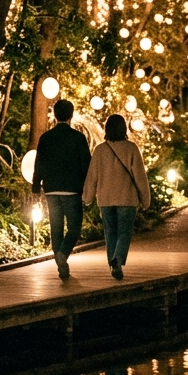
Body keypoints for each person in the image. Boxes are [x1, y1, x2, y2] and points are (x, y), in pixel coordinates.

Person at [82, 115, 150, 280]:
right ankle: (117, 261)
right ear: (124, 129)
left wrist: (87, 197)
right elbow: (140, 177)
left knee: (110, 232)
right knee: (124, 232)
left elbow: (92, 177)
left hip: (106, 199)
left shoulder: (100, 150)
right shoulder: (132, 148)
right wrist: (145, 199)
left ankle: (113, 262)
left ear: (107, 129)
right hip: (127, 199)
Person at [32, 100, 93, 280]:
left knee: (55, 228)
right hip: (72, 190)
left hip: (51, 189)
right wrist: (87, 187)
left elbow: (39, 164)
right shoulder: (78, 137)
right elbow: (86, 165)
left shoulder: (46, 138)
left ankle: (60, 261)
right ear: (71, 115)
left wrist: (36, 187)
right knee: (74, 227)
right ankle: (62, 255)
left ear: (55, 114)